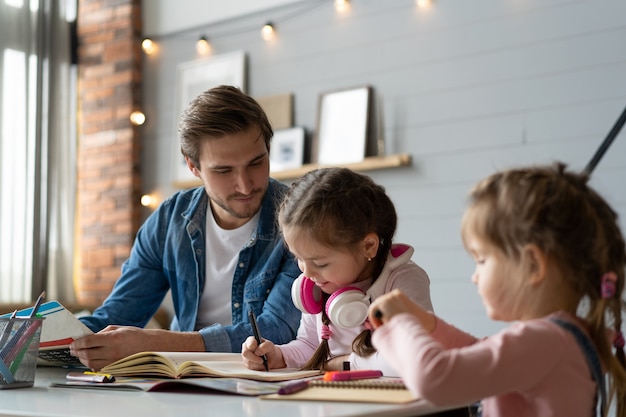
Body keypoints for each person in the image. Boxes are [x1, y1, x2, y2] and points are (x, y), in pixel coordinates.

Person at [70, 85, 302, 371]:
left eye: (256, 162)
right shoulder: (169, 221)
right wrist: (47, 336)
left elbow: (277, 330)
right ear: (193, 166)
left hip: (262, 382)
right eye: (224, 170)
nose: (245, 184)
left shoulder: (301, 220)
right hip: (180, 381)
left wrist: (153, 342)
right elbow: (118, 315)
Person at [368, 163, 626, 417]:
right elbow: (478, 351)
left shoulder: (543, 341)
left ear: (533, 265)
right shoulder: (565, 337)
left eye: (481, 260)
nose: (475, 277)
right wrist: (427, 324)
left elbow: (437, 379)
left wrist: (399, 324)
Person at [241, 167, 434, 374]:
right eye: (299, 259)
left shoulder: (403, 280)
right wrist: (279, 356)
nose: (307, 274)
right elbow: (310, 346)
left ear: (368, 246)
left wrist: (347, 364)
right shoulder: (320, 284)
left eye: (320, 263)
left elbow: (413, 355)